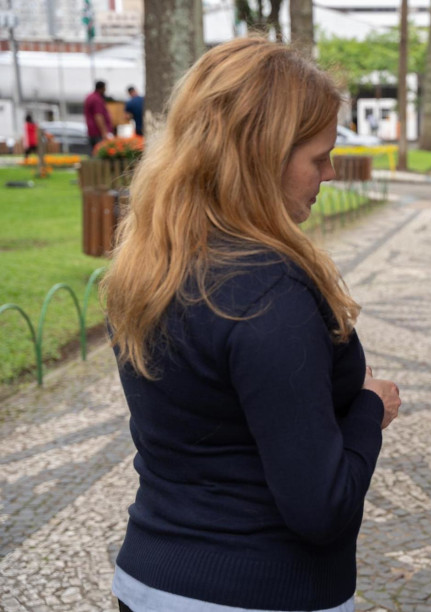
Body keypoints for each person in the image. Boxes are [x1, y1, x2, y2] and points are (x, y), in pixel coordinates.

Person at [102, 37, 401, 612]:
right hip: (258, 590)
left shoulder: (151, 262)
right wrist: (369, 409)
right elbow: (321, 508)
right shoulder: (267, 292)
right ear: (262, 157)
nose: (331, 172)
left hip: (146, 579)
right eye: (318, 157)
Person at [84, 80, 113, 148]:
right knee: (99, 152)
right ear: (102, 88)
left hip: (92, 131)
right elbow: (98, 116)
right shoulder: (97, 99)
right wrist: (104, 132)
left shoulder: (90, 96)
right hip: (97, 132)